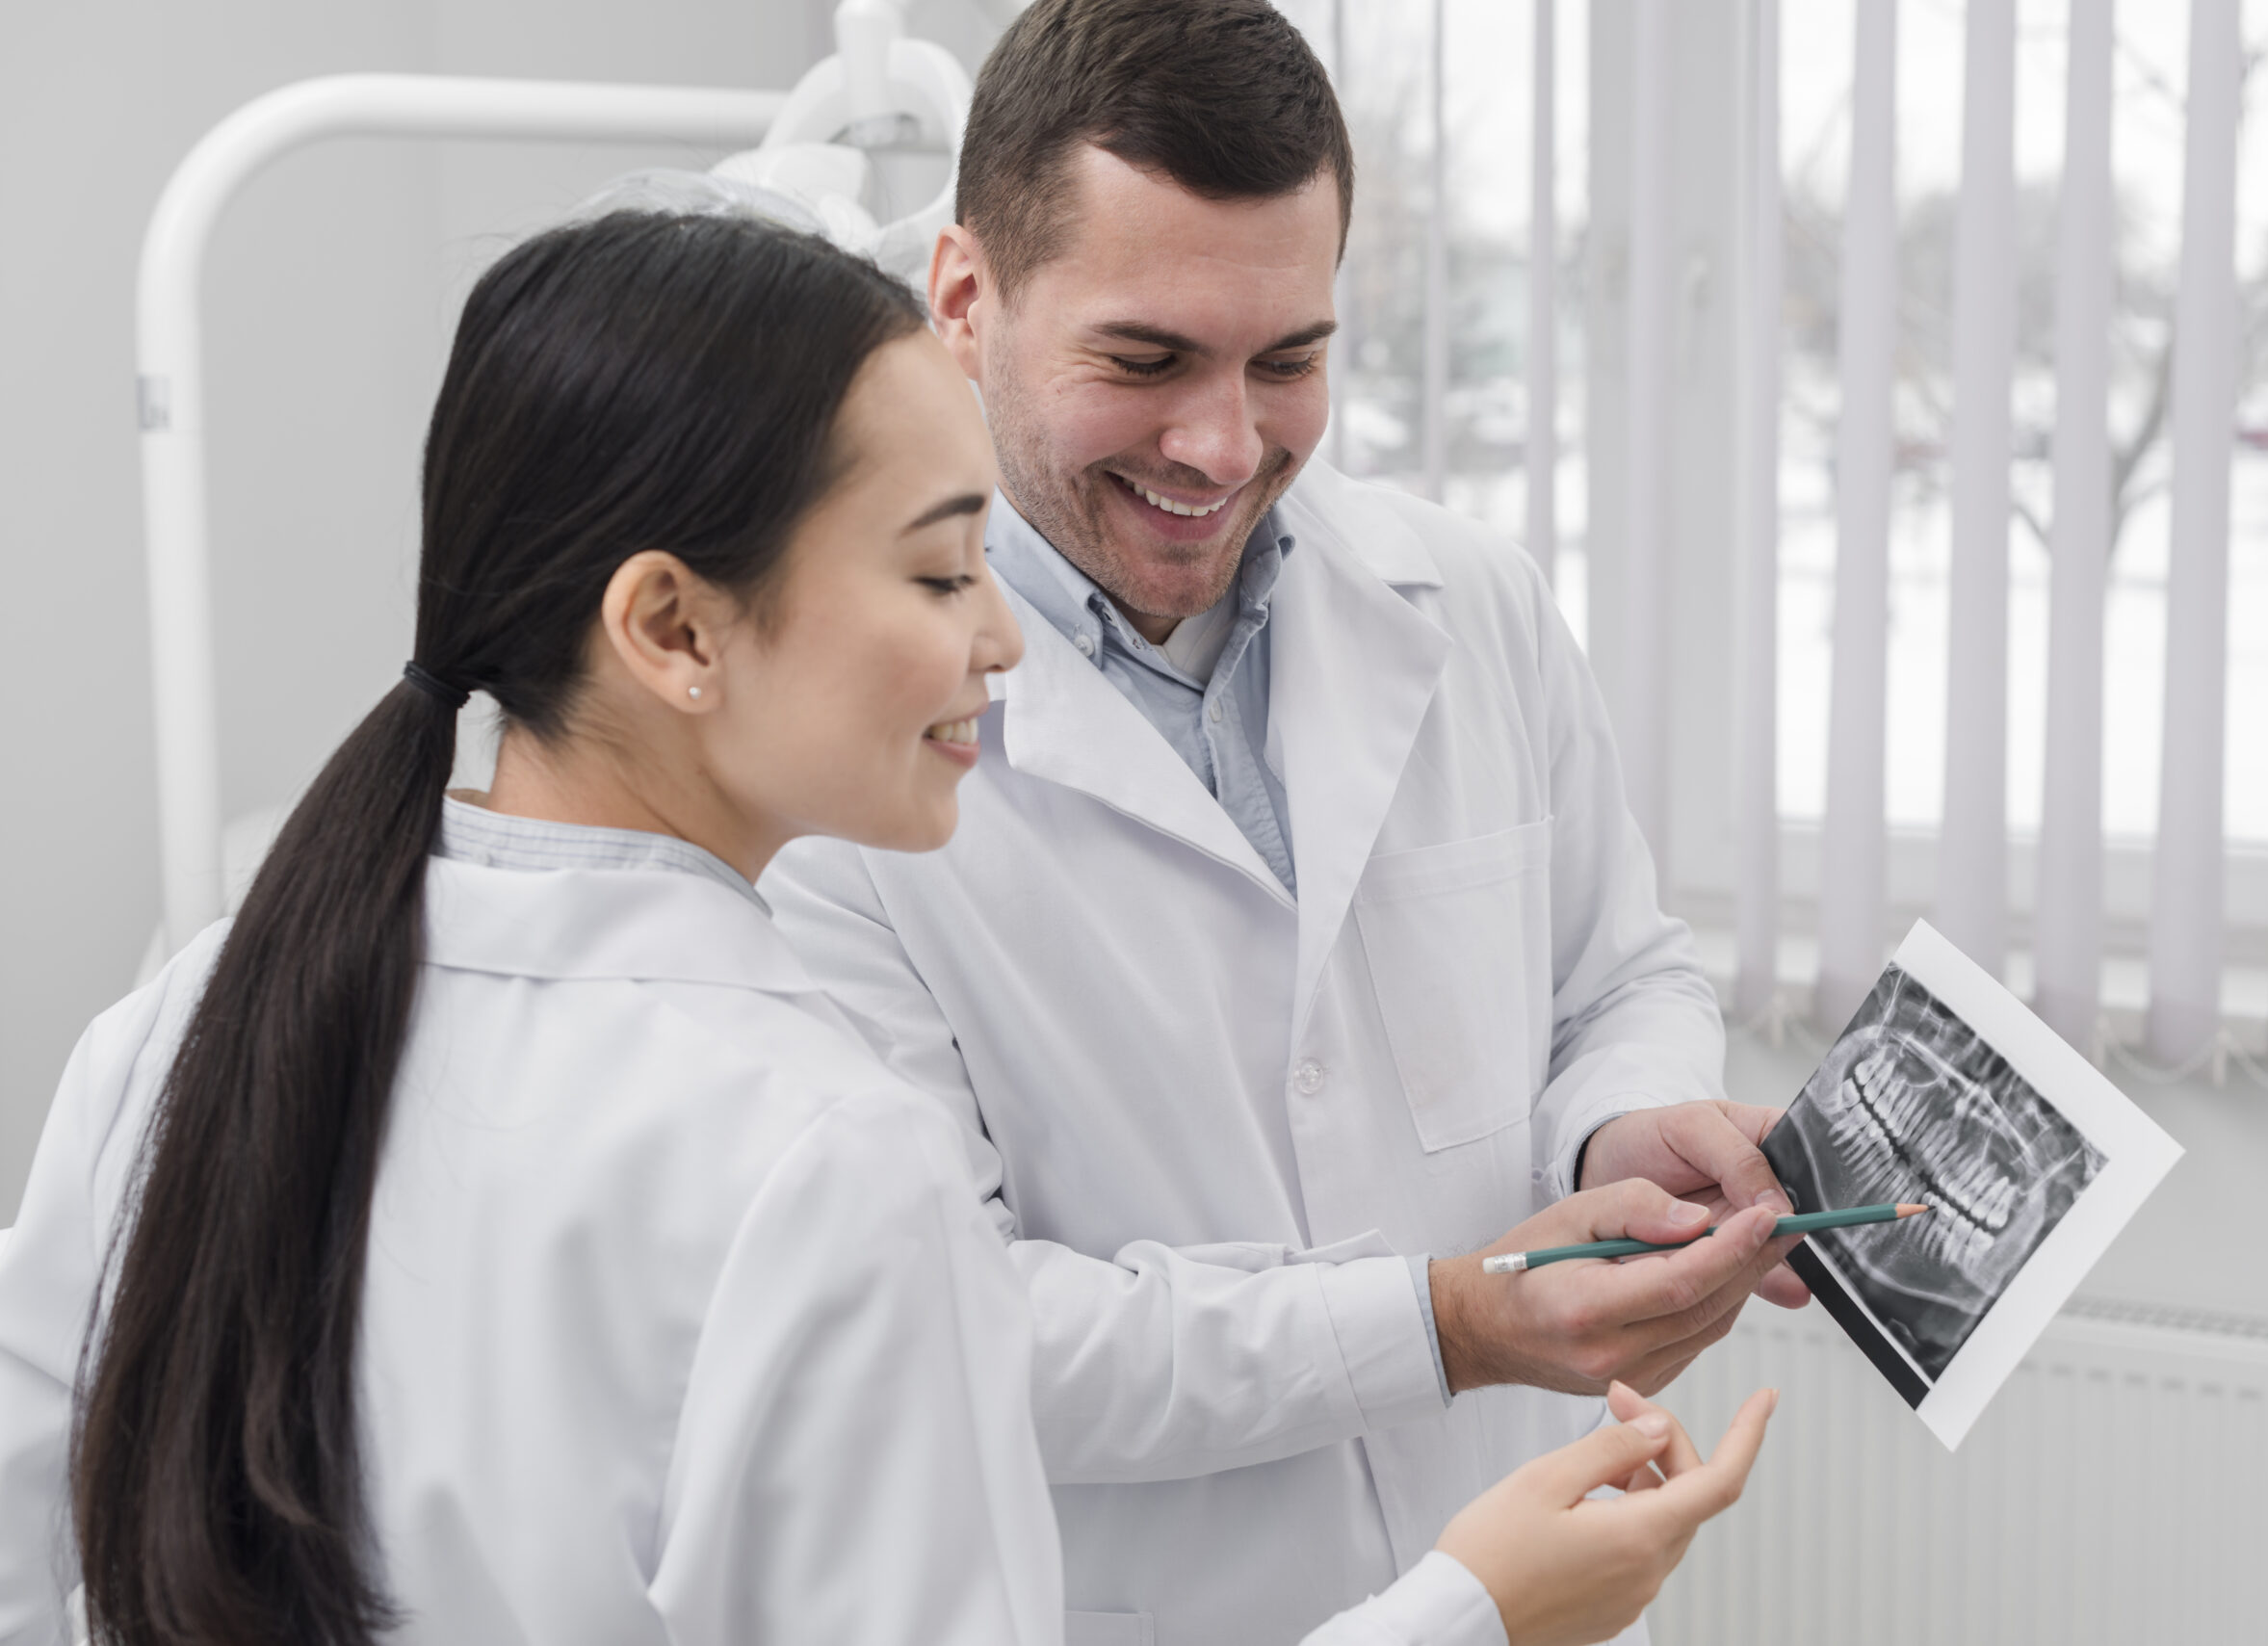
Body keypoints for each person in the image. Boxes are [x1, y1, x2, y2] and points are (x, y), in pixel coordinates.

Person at [0, 208, 1771, 1646]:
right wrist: (1477, 1609)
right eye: (940, 572)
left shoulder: (168, 1034)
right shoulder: (826, 1157)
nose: (1004, 643)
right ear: (675, 632)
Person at [760, 4, 1813, 1641]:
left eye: (1289, 360)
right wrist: (1449, 1324)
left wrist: (1622, 1126)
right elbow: (951, 1328)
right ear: (966, 300)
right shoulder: (823, 757)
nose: (1223, 443)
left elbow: (1618, 977)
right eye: (1146, 359)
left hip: (1539, 1570)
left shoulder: (1467, 604)